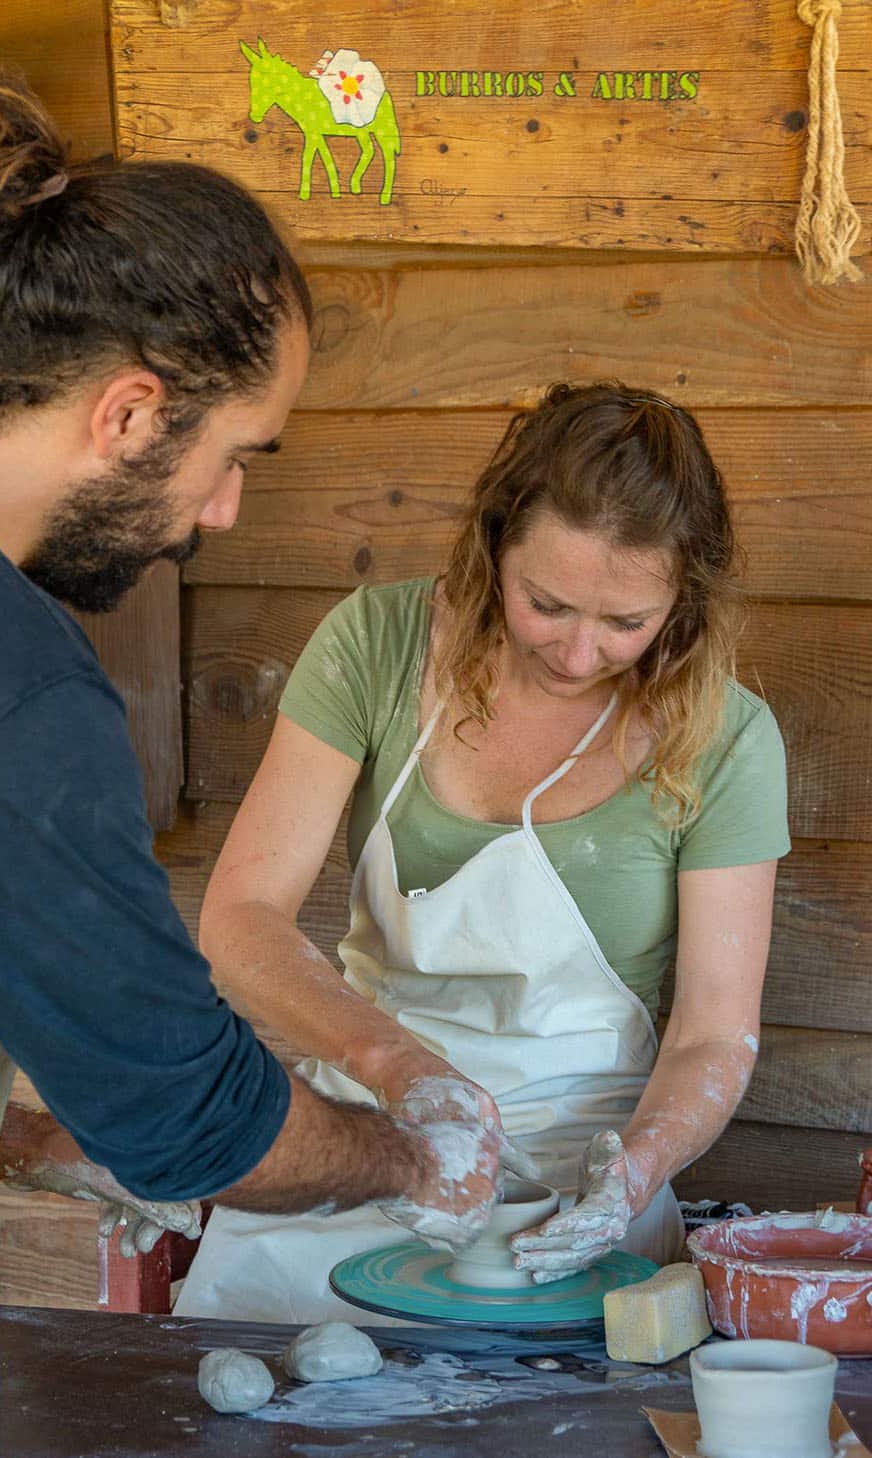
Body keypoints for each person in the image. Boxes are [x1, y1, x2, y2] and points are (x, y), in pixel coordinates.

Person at [0, 73, 502, 1458]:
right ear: (131, 413)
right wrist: (404, 1156)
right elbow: (196, 1124)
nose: (218, 511)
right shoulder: (3, 680)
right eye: (233, 455)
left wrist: (25, 1135)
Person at [176, 381, 791, 1325]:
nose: (579, 655)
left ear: (686, 601)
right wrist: (402, 1072)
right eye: (547, 603)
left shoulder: (728, 737)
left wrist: (637, 1172)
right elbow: (240, 917)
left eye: (626, 624)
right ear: (494, 542)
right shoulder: (376, 646)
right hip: (369, 1138)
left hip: (581, 1189)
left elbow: (714, 1035)